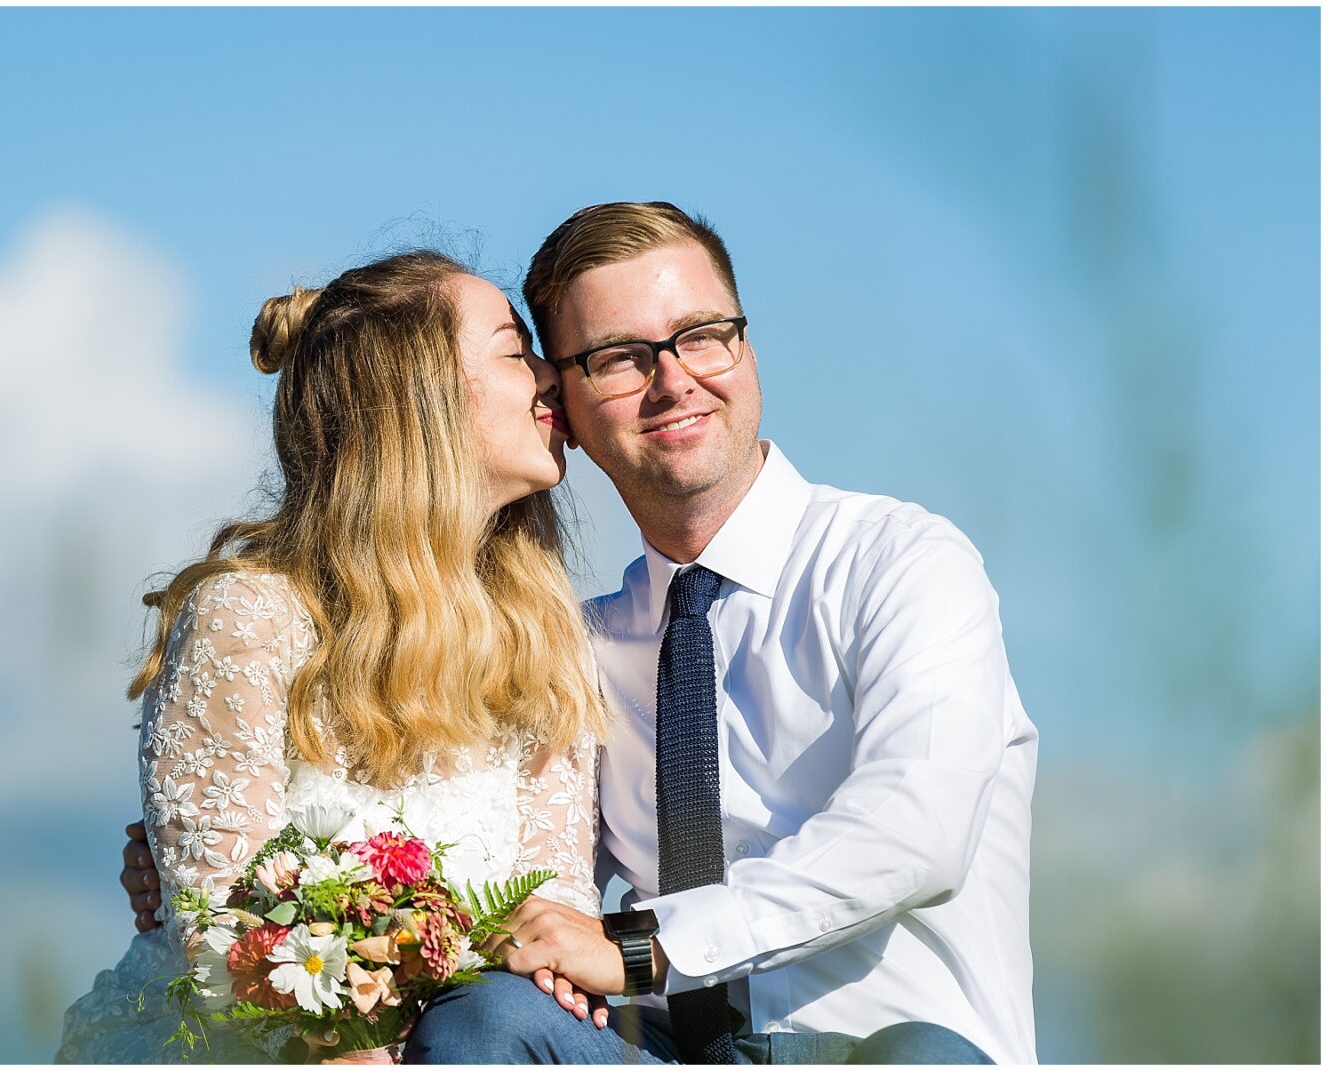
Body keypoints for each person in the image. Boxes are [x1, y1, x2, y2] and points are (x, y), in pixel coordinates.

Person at [124, 202, 1038, 1065]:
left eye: (704, 335)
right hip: (641, 1053)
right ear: (561, 396)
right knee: (491, 1020)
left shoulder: (901, 562)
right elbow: (513, 897)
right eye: (620, 357)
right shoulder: (571, 645)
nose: (676, 377)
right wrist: (249, 888)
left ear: (748, 347)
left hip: (880, 1047)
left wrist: (646, 947)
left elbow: (917, 826)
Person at [58, 250, 612, 1063]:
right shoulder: (248, 616)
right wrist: (333, 1041)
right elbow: (214, 924)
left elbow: (555, 907)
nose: (550, 377)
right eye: (512, 348)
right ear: (415, 394)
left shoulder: (543, 636)